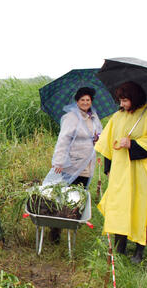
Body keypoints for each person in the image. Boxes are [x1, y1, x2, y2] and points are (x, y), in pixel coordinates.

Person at [94, 81, 147, 263]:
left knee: (140, 209)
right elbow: (108, 144)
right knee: (119, 207)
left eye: (125, 100)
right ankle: (120, 247)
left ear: (134, 99)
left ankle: (139, 251)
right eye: (120, 100)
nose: (122, 105)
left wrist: (133, 144)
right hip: (120, 173)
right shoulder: (117, 118)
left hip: (141, 173)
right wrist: (108, 168)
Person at [43, 87, 103, 242]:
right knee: (63, 197)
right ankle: (55, 230)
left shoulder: (93, 117)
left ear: (91, 102)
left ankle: (72, 227)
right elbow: (63, 140)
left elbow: (99, 134)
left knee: (78, 197)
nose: (85, 102)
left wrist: (98, 138)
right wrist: (59, 161)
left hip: (86, 164)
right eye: (82, 100)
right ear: (77, 101)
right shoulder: (71, 117)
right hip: (72, 164)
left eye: (88, 100)